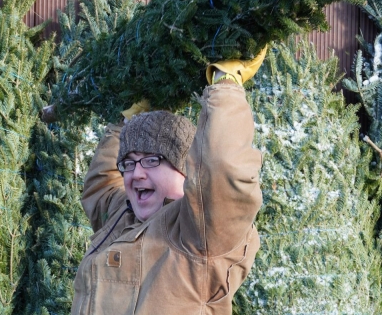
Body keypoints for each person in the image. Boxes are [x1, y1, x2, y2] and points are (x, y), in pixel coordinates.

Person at [71, 48, 266, 314]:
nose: (136, 174)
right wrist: (125, 123)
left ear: (187, 171)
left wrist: (225, 85)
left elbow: (223, 169)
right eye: (129, 162)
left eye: (152, 160)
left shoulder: (200, 232)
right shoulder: (122, 217)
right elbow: (101, 184)